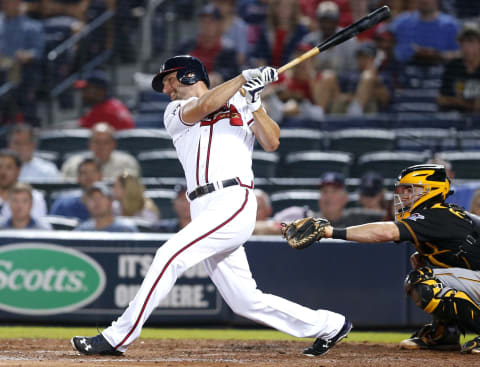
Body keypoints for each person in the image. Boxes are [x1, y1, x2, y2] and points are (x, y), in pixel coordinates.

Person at [71, 55, 351, 357]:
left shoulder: (243, 102)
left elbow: (272, 142)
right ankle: (328, 324)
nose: (167, 89)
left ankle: (117, 337)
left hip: (233, 199)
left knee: (169, 255)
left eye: (169, 80)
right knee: (245, 301)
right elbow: (205, 105)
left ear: (190, 76)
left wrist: (255, 103)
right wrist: (244, 80)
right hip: (202, 205)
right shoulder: (175, 111)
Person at [300, 164, 480, 354]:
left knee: (424, 282)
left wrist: (330, 232)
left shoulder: (437, 214)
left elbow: (385, 232)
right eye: (402, 190)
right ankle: (445, 334)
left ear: (431, 190)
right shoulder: (440, 215)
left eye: (411, 190)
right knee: (426, 276)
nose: (404, 196)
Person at [0, 0, 45, 124]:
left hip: (21, 72)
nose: (8, 5)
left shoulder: (32, 26)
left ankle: (28, 124)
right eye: (5, 2)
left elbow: (38, 52)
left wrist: (27, 55)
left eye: (12, 2)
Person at [176, 3, 239, 86]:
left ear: (219, 25)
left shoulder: (227, 49)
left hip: (214, 91)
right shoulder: (186, 46)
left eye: (211, 21)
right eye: (203, 21)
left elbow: (232, 73)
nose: (206, 25)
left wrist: (219, 76)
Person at [389, 0, 459, 65]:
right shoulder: (401, 22)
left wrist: (437, 55)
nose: (424, 0)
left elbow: (459, 53)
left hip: (441, 73)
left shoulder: (451, 25)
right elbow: (384, 42)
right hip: (404, 71)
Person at [61, 122, 140, 179]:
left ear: (114, 144)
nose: (101, 146)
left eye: (106, 142)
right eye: (97, 142)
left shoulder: (127, 164)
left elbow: (132, 192)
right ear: (90, 144)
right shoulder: (73, 164)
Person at [301, 1, 358, 73]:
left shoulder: (348, 40)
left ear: (337, 21)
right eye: (324, 21)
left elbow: (353, 70)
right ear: (318, 21)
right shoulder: (309, 40)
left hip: (342, 81)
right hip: (315, 80)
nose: (327, 25)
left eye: (331, 21)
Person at [249, 0, 309, 68]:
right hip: (267, 72)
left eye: (287, 6)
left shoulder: (301, 31)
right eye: (279, 5)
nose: (283, 9)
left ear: (294, 8)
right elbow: (259, 54)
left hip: (290, 71)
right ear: (274, 8)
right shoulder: (265, 29)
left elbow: (299, 55)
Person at [437, 23, 480, 113]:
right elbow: (441, 99)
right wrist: (468, 104)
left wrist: (455, 101)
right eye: (463, 42)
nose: (466, 46)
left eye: (471, 41)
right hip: (454, 119)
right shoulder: (453, 66)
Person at [316, 171, 385, 227]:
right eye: (325, 191)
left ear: (345, 198)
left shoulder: (359, 218)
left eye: (334, 191)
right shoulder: (310, 223)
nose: (329, 196)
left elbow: (389, 218)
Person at [0, 149, 47, 220]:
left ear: (18, 171)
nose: (3, 172)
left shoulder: (35, 198)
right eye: (0, 167)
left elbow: (37, 228)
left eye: (9, 167)